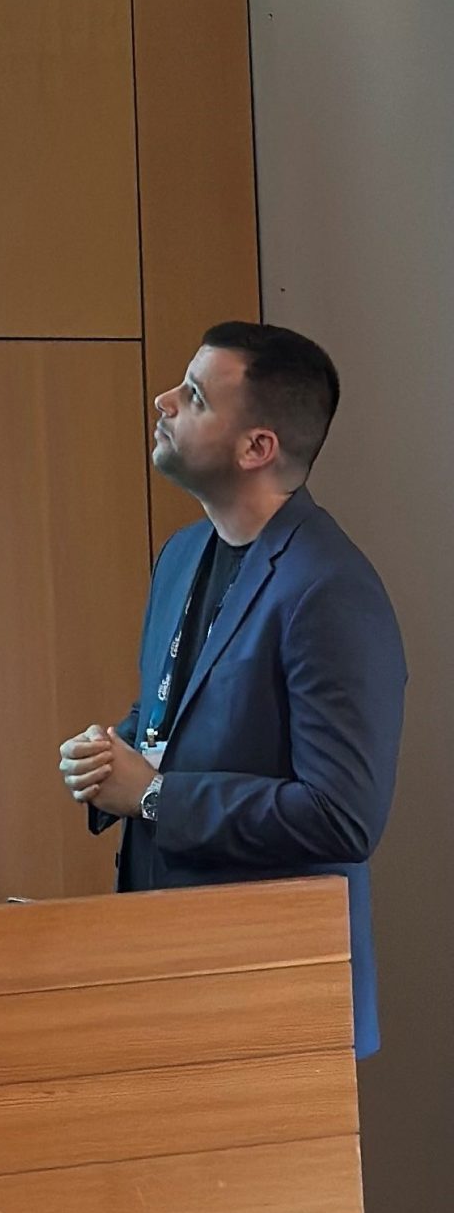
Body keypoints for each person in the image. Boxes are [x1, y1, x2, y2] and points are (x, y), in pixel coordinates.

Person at [58, 322, 404, 1056]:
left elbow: (344, 817)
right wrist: (112, 752)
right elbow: (181, 717)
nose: (162, 402)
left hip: (274, 999)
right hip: (166, 972)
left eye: (191, 396)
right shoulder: (182, 555)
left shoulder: (331, 589)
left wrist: (152, 795)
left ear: (258, 448)